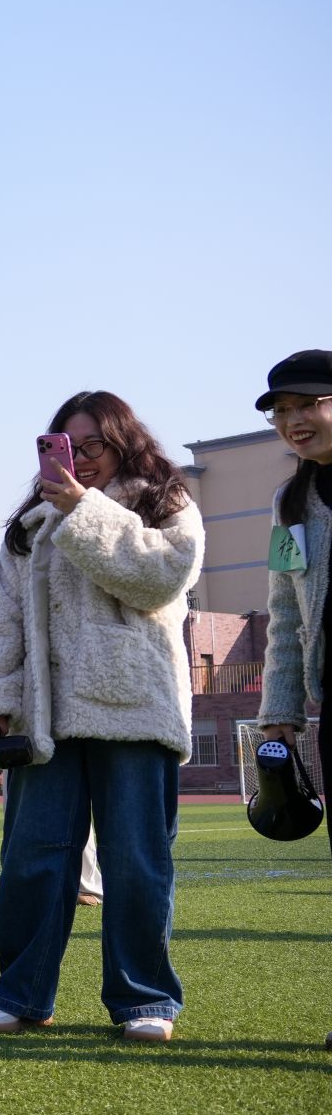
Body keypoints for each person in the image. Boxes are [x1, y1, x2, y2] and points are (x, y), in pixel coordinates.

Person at [0, 390, 203, 1044]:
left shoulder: (165, 503)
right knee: (31, 859)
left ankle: (145, 999)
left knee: (136, 861)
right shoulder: (29, 526)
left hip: (137, 709)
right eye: (67, 445)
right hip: (45, 716)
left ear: (125, 443)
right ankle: (21, 993)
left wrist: (83, 509)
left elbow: (160, 578)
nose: (82, 458)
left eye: (95, 444)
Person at [247, 349, 332, 1052]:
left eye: (308, 404)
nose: (293, 420)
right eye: (281, 411)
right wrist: (280, 711)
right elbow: (284, 614)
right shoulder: (289, 504)